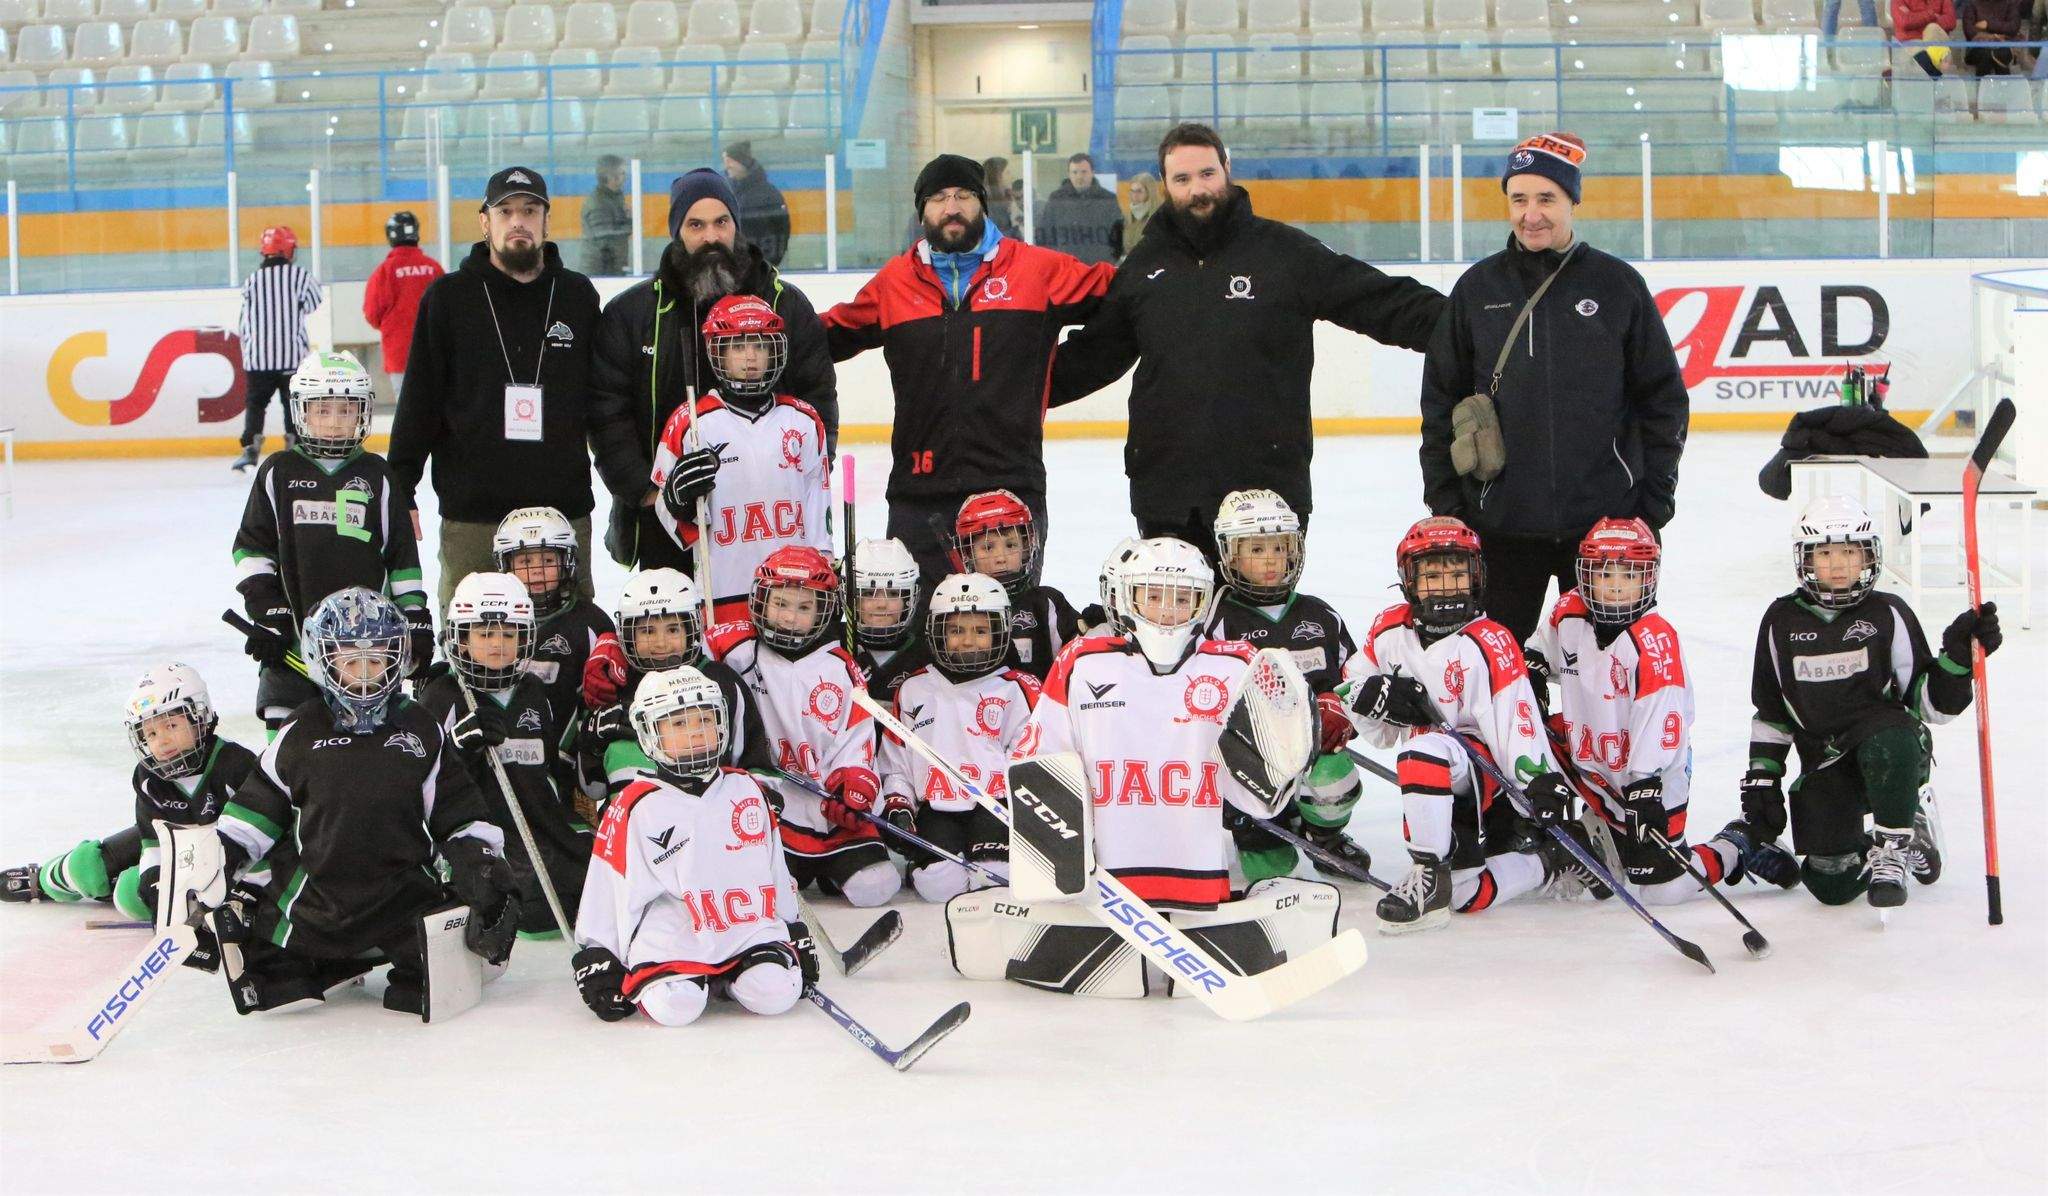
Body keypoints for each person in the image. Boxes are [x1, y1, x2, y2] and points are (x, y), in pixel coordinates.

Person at [1049, 123, 1446, 554]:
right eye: (1182, 179)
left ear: (1227, 169)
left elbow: (1382, 301)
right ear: (1164, 184)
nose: (1197, 189)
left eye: (1207, 174)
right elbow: (1094, 355)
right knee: (1173, 623)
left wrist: (1472, 329)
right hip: (1168, 498)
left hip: (1267, 496)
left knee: (1260, 622)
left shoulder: (1284, 253)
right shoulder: (1144, 268)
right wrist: (1005, 385)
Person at [1418, 133, 1689, 647]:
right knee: (1495, 673)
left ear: (1572, 202)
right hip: (1500, 526)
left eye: (1546, 199)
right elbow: (1439, 403)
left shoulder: (1616, 285)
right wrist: (1449, 505)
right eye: (1519, 199)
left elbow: (1664, 400)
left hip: (1603, 530)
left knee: (1608, 675)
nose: (1531, 214)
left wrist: (1652, 509)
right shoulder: (1478, 289)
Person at [213, 588, 522, 1015]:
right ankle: (325, 963)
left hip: (403, 896)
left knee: (442, 974)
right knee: (270, 973)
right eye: (349, 662)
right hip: (316, 896)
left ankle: (397, 960)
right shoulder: (299, 730)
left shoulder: (420, 727)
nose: (362, 675)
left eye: (374, 661)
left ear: (395, 662)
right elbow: (259, 805)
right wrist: (223, 856)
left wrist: (480, 861)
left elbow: (458, 808)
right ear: (325, 662)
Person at [823, 154, 1115, 582]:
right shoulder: (894, 283)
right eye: (938, 198)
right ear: (922, 211)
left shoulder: (1037, 270)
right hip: (919, 495)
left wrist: (1053, 377)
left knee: (1005, 635)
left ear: (982, 204)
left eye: (963, 196)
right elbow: (828, 335)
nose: (951, 207)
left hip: (1010, 487)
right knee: (923, 635)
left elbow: (1125, 301)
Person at [1341, 517, 1610, 934]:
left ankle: (1426, 873)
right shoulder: (1390, 629)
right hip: (1437, 784)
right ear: (1408, 580)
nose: (1446, 585)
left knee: (1421, 751)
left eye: (1456, 572)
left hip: (1484, 774)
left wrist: (1539, 783)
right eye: (1432, 575)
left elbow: (1517, 724)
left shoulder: (1490, 640)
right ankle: (1554, 861)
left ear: (1477, 575)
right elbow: (1351, 687)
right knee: (1466, 894)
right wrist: (1372, 695)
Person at [1735, 496, 2000, 911]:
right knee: (1831, 887)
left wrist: (1957, 661)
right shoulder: (1780, 621)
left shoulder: (1888, 613)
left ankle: (1893, 845)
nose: (1837, 564)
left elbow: (1930, 707)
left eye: (1849, 552)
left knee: (1887, 738)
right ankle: (1908, 824)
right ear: (1805, 558)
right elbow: (1772, 711)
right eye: (1824, 553)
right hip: (1825, 760)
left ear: (1868, 557)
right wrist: (1763, 777)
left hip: (1892, 748)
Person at [589, 167, 838, 572]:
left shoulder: (784, 306)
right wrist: (649, 493)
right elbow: (605, 413)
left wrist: (806, 484)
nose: (710, 237)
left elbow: (818, 399)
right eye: (695, 224)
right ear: (677, 231)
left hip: (768, 521)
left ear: (736, 226)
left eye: (721, 222)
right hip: (668, 521)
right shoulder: (632, 315)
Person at [389, 166, 605, 614]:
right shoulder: (448, 299)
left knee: (572, 649)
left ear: (547, 220)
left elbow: (602, 403)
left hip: (562, 511)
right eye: (505, 211)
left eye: (530, 210)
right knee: (473, 650)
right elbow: (419, 402)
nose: (518, 221)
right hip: (474, 515)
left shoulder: (577, 296)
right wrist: (401, 488)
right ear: (485, 222)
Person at [569, 666, 815, 1026]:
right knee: (676, 1009)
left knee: (776, 994)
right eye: (679, 724)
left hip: (745, 929)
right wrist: (597, 953)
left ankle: (728, 978)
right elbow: (607, 885)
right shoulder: (635, 804)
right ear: (650, 734)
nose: (696, 733)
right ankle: (697, 978)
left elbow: (773, 867)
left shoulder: (747, 790)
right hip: (673, 935)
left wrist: (793, 927)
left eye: (704, 720)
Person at [1524, 518, 1753, 903]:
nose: (1615, 585)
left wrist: (1645, 787)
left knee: (1659, 889)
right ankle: (1587, 831)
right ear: (1585, 575)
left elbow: (1661, 724)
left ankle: (1735, 847)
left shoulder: (1655, 641)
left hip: (1649, 780)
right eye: (1605, 573)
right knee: (1515, 736)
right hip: (1588, 759)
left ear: (1649, 578)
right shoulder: (1568, 612)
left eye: (1628, 574)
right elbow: (1539, 650)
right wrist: (1530, 673)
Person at [231, 350, 431, 731]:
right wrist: (268, 612)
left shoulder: (379, 475)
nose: (335, 423)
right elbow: (251, 549)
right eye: (323, 411)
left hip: (364, 652)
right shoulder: (278, 472)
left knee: (363, 756)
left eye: (346, 410)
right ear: (301, 413)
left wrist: (415, 618)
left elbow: (402, 558)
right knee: (288, 754)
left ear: (363, 412)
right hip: (293, 647)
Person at [705, 546, 898, 908]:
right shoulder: (738, 649)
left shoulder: (839, 668)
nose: (791, 618)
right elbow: (680, 646)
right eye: (780, 604)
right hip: (770, 805)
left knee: (877, 886)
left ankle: (828, 867)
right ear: (759, 602)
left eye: (804, 607)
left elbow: (856, 738)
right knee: (769, 896)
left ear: (824, 610)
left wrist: (854, 784)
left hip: (825, 807)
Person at [1, 665, 262, 920]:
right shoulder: (148, 776)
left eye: (171, 726)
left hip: (219, 857)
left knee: (128, 895)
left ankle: (114, 887)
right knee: (87, 868)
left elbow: (263, 837)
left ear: (199, 717)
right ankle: (43, 880)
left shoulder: (236, 763)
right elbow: (152, 843)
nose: (162, 741)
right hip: (173, 841)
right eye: (150, 733)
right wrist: (152, 878)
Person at [1204, 489, 1371, 882]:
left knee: (1336, 778)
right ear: (1230, 554)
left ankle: (1324, 835)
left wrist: (1339, 710)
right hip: (1251, 762)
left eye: (1278, 548)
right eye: (1255, 550)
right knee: (1273, 870)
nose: (1269, 561)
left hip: (1313, 751)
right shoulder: (1213, 619)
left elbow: (1351, 679)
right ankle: (1265, 823)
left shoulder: (1320, 614)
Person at [416, 572, 589, 937]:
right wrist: (459, 746)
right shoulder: (444, 694)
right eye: (485, 634)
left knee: (588, 878)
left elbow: (548, 769)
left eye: (509, 634)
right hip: (478, 830)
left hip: (537, 825)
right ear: (461, 639)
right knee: (517, 902)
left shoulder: (532, 690)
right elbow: (420, 781)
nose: (498, 644)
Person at [651, 295, 831, 616]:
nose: (750, 357)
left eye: (760, 346)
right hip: (723, 593)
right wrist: (677, 502)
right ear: (717, 351)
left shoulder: (803, 420)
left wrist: (824, 568)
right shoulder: (690, 423)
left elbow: (818, 514)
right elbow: (670, 514)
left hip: (793, 595)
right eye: (737, 346)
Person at [875, 573, 1037, 903]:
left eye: (980, 631)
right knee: (938, 887)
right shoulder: (914, 690)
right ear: (937, 631)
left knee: (995, 878)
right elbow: (897, 766)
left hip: (998, 807)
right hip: (937, 809)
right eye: (956, 630)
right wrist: (899, 805)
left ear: (1000, 631)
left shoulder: (1018, 688)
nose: (967, 641)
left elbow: (1032, 762)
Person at [579, 568, 772, 802]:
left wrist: (758, 802)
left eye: (672, 629)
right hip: (633, 828)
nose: (661, 643)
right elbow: (592, 787)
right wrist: (591, 739)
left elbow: (755, 764)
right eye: (647, 631)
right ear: (627, 633)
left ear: (691, 628)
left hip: (711, 821)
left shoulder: (721, 682)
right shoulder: (614, 682)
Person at [493, 505, 616, 819]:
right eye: (525, 561)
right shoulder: (492, 624)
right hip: (505, 760)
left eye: (548, 560)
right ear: (505, 566)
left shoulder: (591, 623)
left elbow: (605, 699)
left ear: (567, 563)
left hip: (570, 767)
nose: (536, 572)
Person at [947, 489, 1078, 681]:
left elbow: (1079, 663)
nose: (1000, 558)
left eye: (1011, 545)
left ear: (1026, 548)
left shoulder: (1046, 602)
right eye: (987, 547)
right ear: (967, 554)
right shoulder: (954, 606)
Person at [231, 225, 324, 471]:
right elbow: (314, 303)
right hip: (291, 357)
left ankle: (250, 448)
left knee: (255, 404)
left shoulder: (252, 280)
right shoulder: (300, 276)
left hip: (258, 358)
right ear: (288, 249)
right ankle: (295, 448)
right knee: (292, 403)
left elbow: (245, 320)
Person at [361, 210, 443, 398]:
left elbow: (372, 314)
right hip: (436, 352)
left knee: (406, 411)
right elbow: (451, 309)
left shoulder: (384, 272)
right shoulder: (434, 268)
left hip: (399, 355)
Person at [849, 537, 924, 682]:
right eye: (869, 593)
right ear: (852, 599)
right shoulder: (834, 649)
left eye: (894, 593)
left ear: (909, 599)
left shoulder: (925, 655)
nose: (881, 604)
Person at [1036, 152, 1124, 265]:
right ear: (1069, 174)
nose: (1079, 176)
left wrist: (1108, 261)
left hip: (1098, 268)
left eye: (1084, 172)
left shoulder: (1107, 199)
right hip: (1066, 268)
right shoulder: (1057, 199)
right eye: (1075, 172)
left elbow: (1118, 235)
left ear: (1092, 173)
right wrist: (1055, 261)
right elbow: (1045, 233)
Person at [724, 142, 792, 267]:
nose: (727, 165)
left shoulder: (769, 194)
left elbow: (781, 229)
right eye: (725, 160)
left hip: (760, 270)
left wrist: (767, 265)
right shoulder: (726, 192)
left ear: (742, 162)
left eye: (730, 160)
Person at [583, 155, 632, 277]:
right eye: (622, 173)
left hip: (612, 267)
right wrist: (631, 225)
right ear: (610, 176)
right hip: (599, 272)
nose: (625, 177)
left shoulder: (615, 196)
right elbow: (604, 234)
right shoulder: (598, 202)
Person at [1893, 0, 1959, 75]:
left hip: (1936, 40)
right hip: (1911, 42)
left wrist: (1917, 19)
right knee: (1920, 55)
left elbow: (1951, 21)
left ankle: (1937, 73)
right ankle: (1937, 76)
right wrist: (1931, 14)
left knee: (1932, 28)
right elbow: (1905, 21)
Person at [981, 156, 1019, 237]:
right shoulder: (990, 202)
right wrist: (1016, 224)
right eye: (1007, 172)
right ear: (997, 175)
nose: (1012, 176)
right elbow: (999, 233)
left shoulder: (1008, 196)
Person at [1124, 171, 1161, 244]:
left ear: (1150, 192)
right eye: (1132, 191)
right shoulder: (1125, 219)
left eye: (1139, 191)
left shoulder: (1160, 218)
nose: (1134, 196)